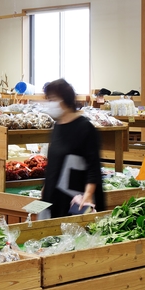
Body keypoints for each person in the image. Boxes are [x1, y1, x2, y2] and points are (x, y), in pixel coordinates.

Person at [40, 79, 105, 219]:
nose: (50, 104)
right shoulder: (57, 126)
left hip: (75, 201)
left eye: (53, 99)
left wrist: (87, 197)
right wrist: (46, 187)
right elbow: (54, 162)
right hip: (55, 198)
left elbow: (93, 168)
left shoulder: (85, 128)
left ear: (65, 100)